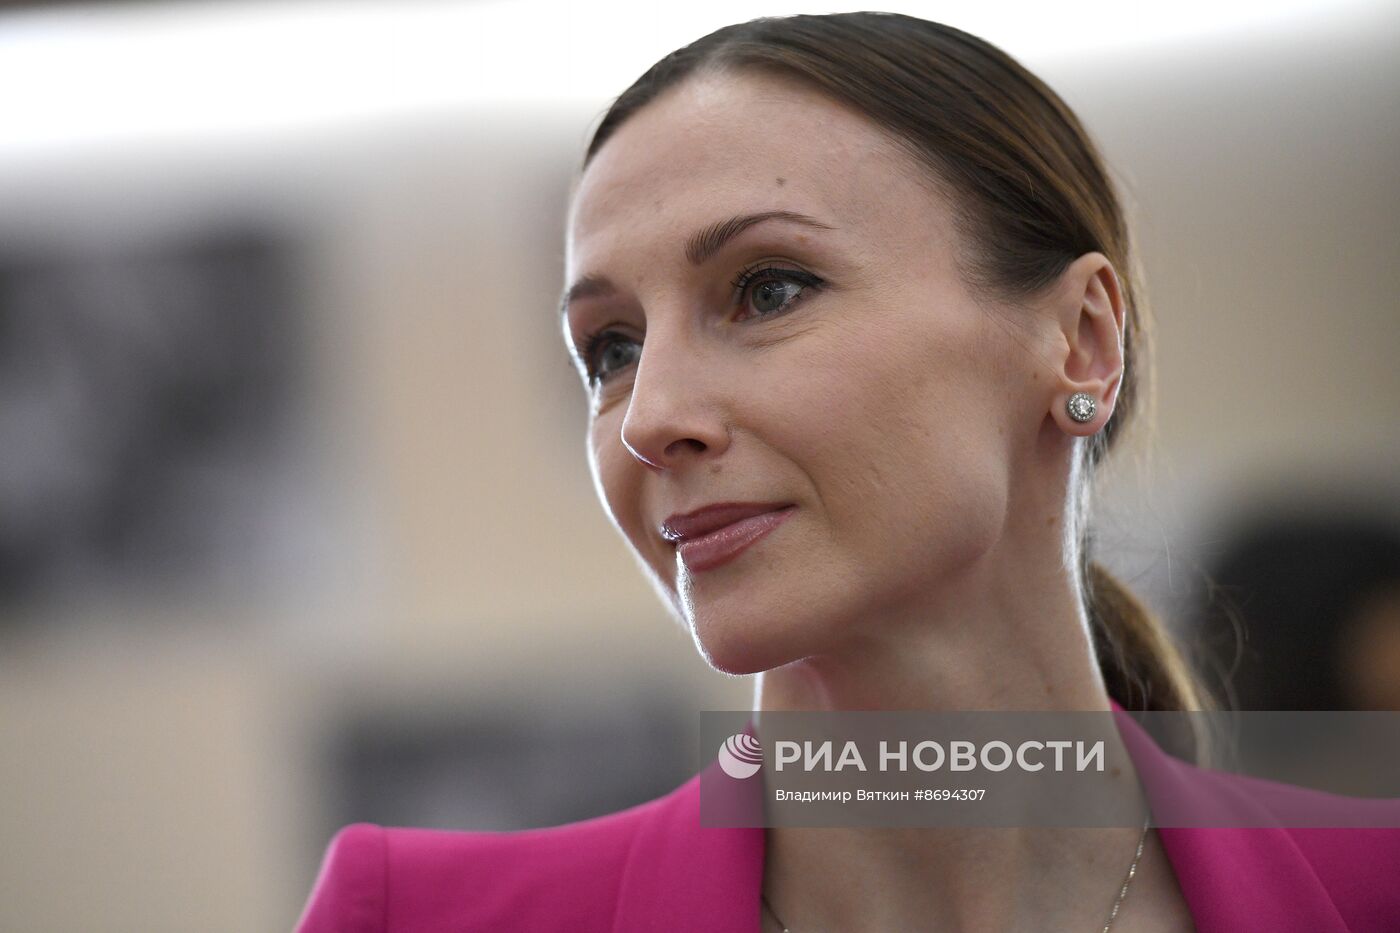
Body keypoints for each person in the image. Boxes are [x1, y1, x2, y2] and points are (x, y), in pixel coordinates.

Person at [295, 12, 1400, 932]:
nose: (651, 418)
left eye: (767, 289)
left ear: (1079, 343)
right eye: (611, 351)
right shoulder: (414, 917)